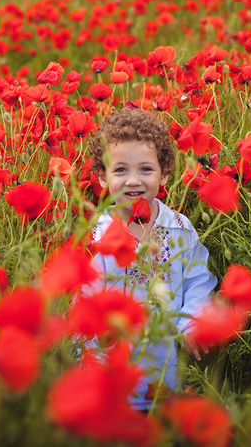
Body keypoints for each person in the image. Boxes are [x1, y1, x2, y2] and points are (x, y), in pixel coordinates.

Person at [85, 106, 217, 410]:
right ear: (102, 177)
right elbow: (86, 300)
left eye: (145, 169)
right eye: (120, 170)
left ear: (164, 173)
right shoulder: (96, 235)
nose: (133, 181)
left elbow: (198, 282)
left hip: (166, 376)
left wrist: (191, 326)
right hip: (112, 376)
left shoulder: (179, 228)